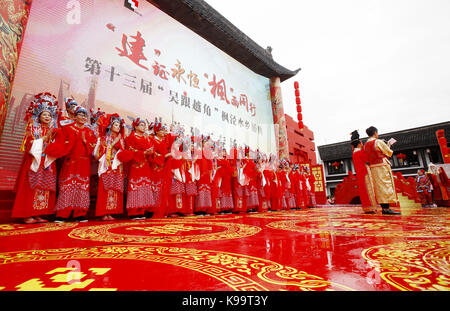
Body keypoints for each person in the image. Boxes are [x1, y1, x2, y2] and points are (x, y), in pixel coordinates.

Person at [11, 92, 59, 224]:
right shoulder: (33, 127)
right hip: (34, 161)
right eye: (44, 114)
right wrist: (43, 138)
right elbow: (28, 144)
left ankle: (38, 213)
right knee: (31, 187)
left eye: (49, 115)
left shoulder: (54, 130)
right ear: (39, 116)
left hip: (47, 162)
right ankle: (27, 215)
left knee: (44, 187)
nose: (47, 117)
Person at [51, 106, 97, 222]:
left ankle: (79, 214)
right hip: (70, 162)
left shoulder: (89, 132)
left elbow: (93, 147)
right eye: (81, 115)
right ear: (75, 117)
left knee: (82, 188)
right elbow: (61, 143)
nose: (83, 117)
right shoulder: (67, 128)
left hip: (84, 163)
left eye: (85, 116)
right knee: (67, 186)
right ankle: (62, 214)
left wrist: (85, 141)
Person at [94, 113, 126, 220]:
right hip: (107, 166)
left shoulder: (121, 139)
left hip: (117, 167)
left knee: (115, 188)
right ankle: (104, 212)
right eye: (116, 125)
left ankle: (111, 212)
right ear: (110, 126)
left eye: (119, 125)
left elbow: (123, 152)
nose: (118, 127)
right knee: (105, 188)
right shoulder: (104, 138)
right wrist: (112, 144)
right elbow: (98, 153)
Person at [364, 126, 400, 215]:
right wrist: (388, 145)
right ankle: (387, 208)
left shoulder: (366, 145)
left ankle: (384, 207)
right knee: (386, 185)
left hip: (373, 167)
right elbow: (388, 152)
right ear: (375, 132)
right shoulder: (378, 142)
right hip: (382, 166)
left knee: (379, 187)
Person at [124, 117, 155, 219]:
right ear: (135, 126)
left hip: (145, 165)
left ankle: (142, 210)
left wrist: (150, 151)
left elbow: (151, 150)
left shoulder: (146, 138)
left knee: (144, 186)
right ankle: (134, 211)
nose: (144, 127)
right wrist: (144, 152)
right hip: (136, 165)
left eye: (144, 125)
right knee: (136, 186)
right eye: (141, 125)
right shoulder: (131, 138)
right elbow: (130, 151)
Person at [350, 130, 377, 213]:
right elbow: (369, 159)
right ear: (359, 144)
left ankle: (366, 207)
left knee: (363, 191)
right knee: (368, 190)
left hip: (359, 174)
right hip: (365, 173)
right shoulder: (361, 152)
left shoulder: (354, 153)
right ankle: (371, 207)